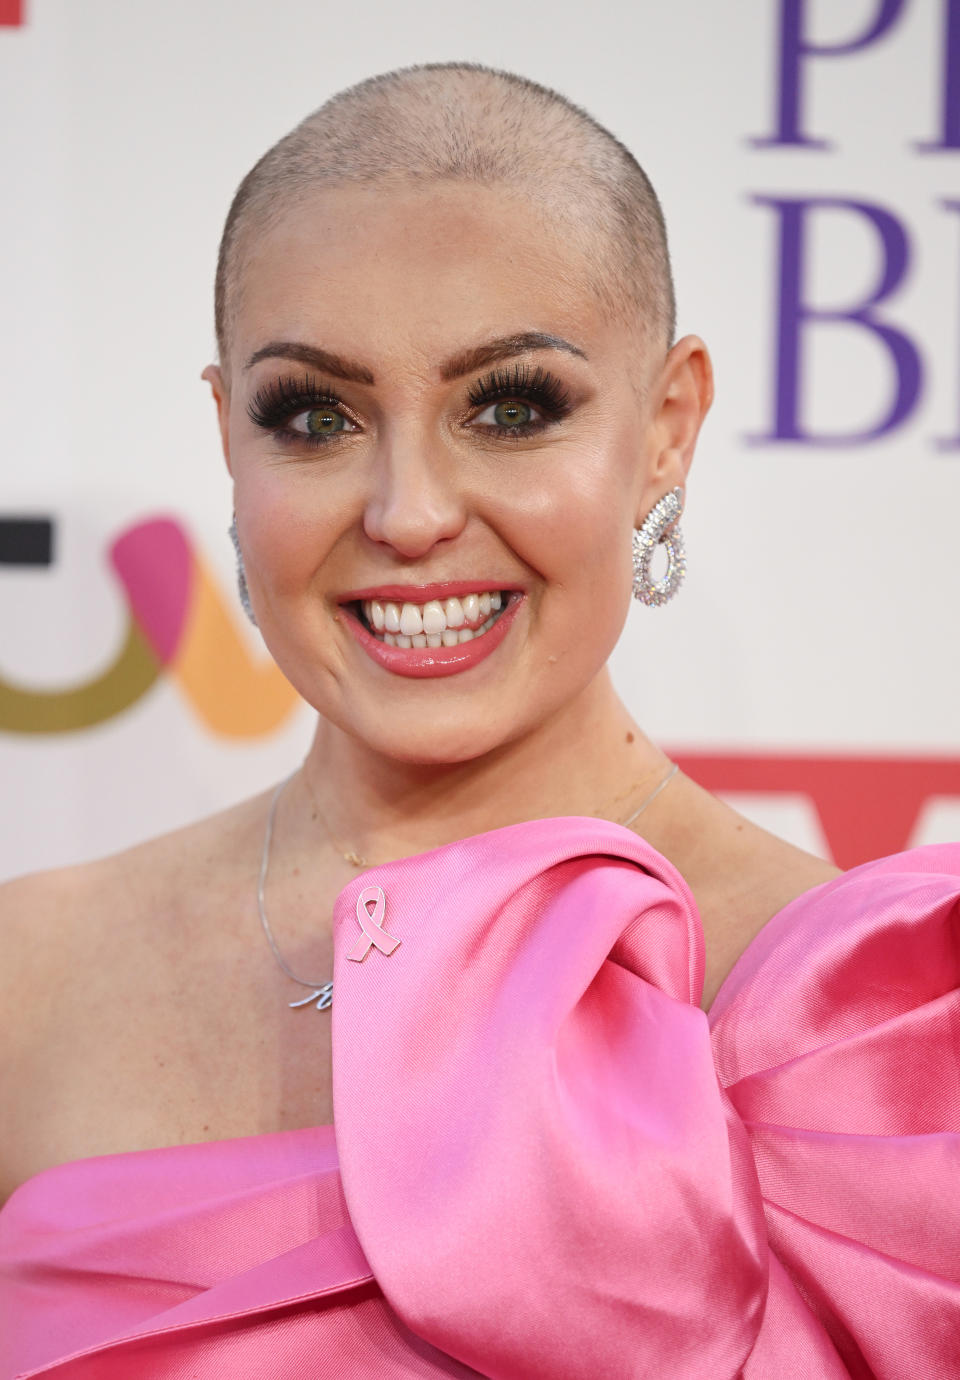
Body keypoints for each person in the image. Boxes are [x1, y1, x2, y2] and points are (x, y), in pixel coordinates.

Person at [0, 61, 957, 1379]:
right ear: (231, 438)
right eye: (315, 416)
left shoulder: (873, 1035)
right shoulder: (29, 978)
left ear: (667, 428)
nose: (407, 512)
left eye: (510, 407)